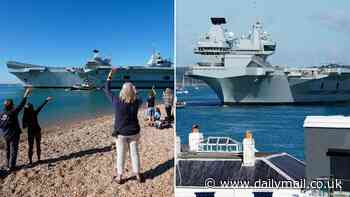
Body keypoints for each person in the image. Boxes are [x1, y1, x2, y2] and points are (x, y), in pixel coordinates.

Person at [103, 68, 143, 184]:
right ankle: (137, 174)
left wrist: (110, 75)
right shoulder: (137, 102)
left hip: (121, 133)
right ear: (133, 91)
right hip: (135, 132)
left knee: (121, 155)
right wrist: (134, 91)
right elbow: (138, 96)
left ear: (122, 90)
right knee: (134, 154)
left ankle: (120, 177)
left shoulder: (116, 101)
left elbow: (107, 89)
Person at [2, 88, 32, 171]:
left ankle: (7, 164)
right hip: (13, 135)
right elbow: (21, 105)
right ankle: (12, 166)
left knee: (7, 150)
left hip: (5, 135)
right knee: (14, 150)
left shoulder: (2, 113)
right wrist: (26, 94)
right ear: (12, 105)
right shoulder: (13, 112)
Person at [22, 96, 53, 164]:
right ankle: (39, 159)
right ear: (32, 108)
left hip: (30, 132)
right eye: (32, 107)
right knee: (38, 145)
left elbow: (24, 127)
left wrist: (27, 124)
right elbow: (41, 106)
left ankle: (30, 161)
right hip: (37, 131)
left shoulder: (25, 117)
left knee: (30, 147)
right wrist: (46, 100)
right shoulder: (34, 113)